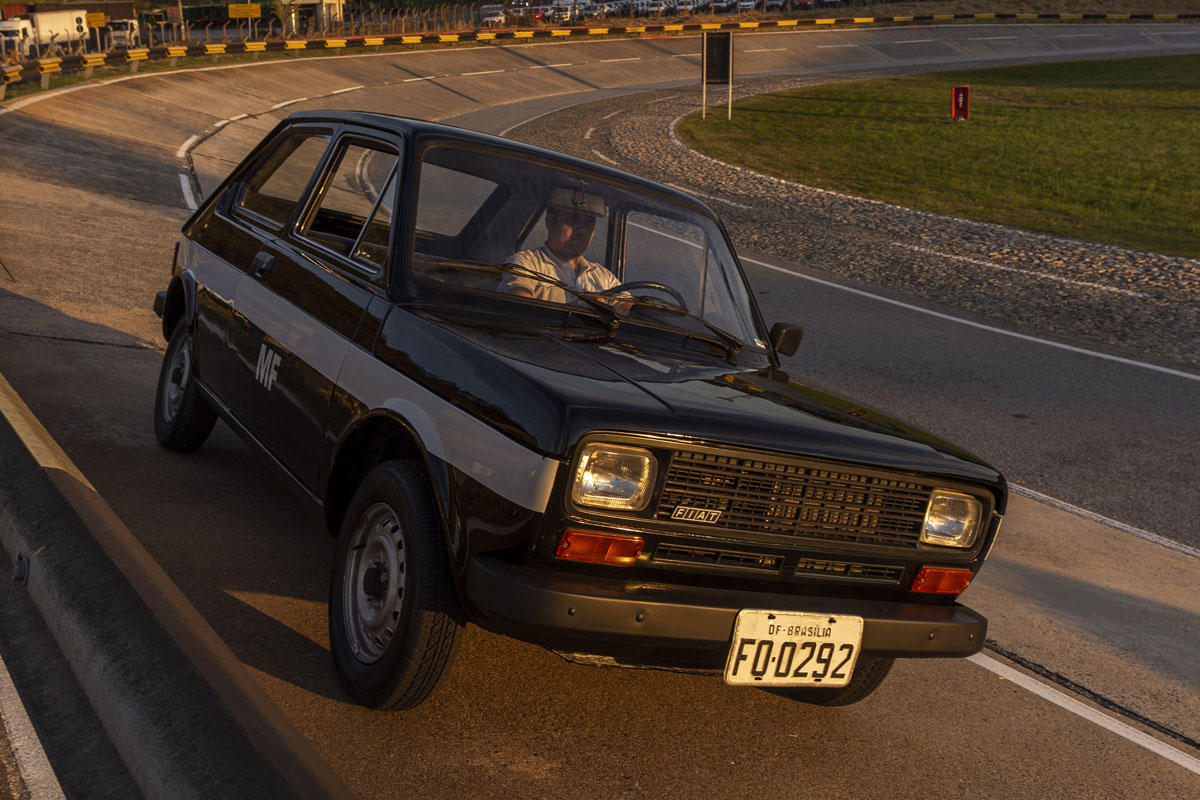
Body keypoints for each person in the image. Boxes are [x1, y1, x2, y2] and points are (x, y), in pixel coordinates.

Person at [499, 187, 624, 305]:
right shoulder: (526, 263)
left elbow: (629, 310)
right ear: (550, 221)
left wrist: (634, 310)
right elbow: (518, 307)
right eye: (573, 217)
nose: (583, 229)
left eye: (590, 221)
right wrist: (581, 310)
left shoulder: (605, 277)